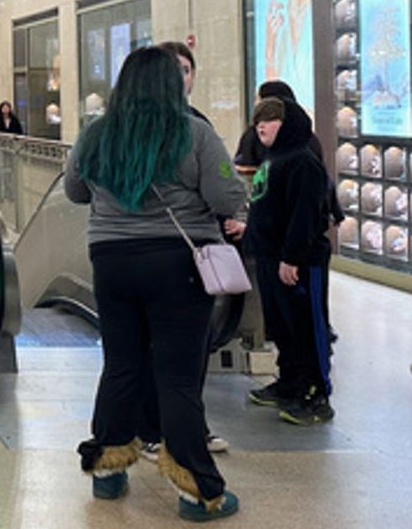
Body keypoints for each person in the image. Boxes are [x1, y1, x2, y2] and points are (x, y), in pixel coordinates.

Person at [65, 47, 245, 520]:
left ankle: (106, 468)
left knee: (121, 364)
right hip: (178, 266)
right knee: (178, 377)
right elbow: (227, 195)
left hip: (112, 262)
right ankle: (196, 491)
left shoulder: (95, 134)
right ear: (172, 85)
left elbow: (75, 189)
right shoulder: (195, 134)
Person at [139, 41, 227, 458]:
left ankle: (186, 428)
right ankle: (159, 431)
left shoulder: (199, 124)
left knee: (188, 350)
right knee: (158, 349)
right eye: (173, 70)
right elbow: (224, 191)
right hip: (171, 251)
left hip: (169, 251)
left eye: (187, 69)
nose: (180, 78)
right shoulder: (187, 131)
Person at [232, 97, 335, 426]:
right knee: (282, 326)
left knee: (307, 325)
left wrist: (291, 257)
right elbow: (271, 209)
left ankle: (318, 394)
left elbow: (304, 215)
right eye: (258, 120)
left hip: (299, 261)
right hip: (271, 257)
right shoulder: (273, 159)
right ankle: (290, 383)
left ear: (287, 123)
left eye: (270, 119)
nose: (262, 125)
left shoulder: (303, 162)